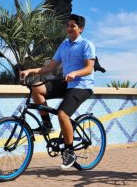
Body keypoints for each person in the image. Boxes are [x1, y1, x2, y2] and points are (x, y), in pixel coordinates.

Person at [19, 14, 95, 170]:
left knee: (62, 114)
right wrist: (30, 71)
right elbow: (50, 68)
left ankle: (70, 152)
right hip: (66, 82)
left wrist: (75, 73)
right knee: (37, 88)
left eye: (72, 26)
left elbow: (89, 68)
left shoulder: (87, 45)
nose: (69, 28)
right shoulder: (64, 45)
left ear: (81, 29)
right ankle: (46, 125)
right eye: (67, 25)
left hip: (82, 85)